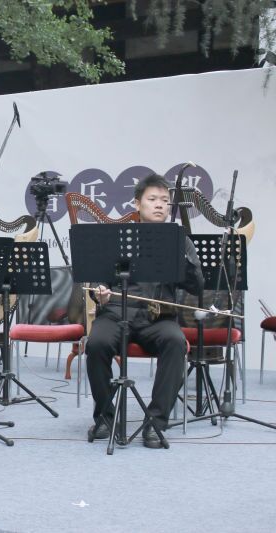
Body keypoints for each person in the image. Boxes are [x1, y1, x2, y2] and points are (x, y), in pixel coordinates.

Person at [86, 173, 203, 449]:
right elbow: (97, 282)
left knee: (175, 342)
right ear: (138, 204)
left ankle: (156, 422)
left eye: (164, 200)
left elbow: (197, 285)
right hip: (117, 312)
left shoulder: (180, 240)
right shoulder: (118, 238)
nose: (160, 204)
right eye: (152, 199)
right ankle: (105, 417)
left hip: (159, 317)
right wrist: (99, 292)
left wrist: (181, 255)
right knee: (97, 343)